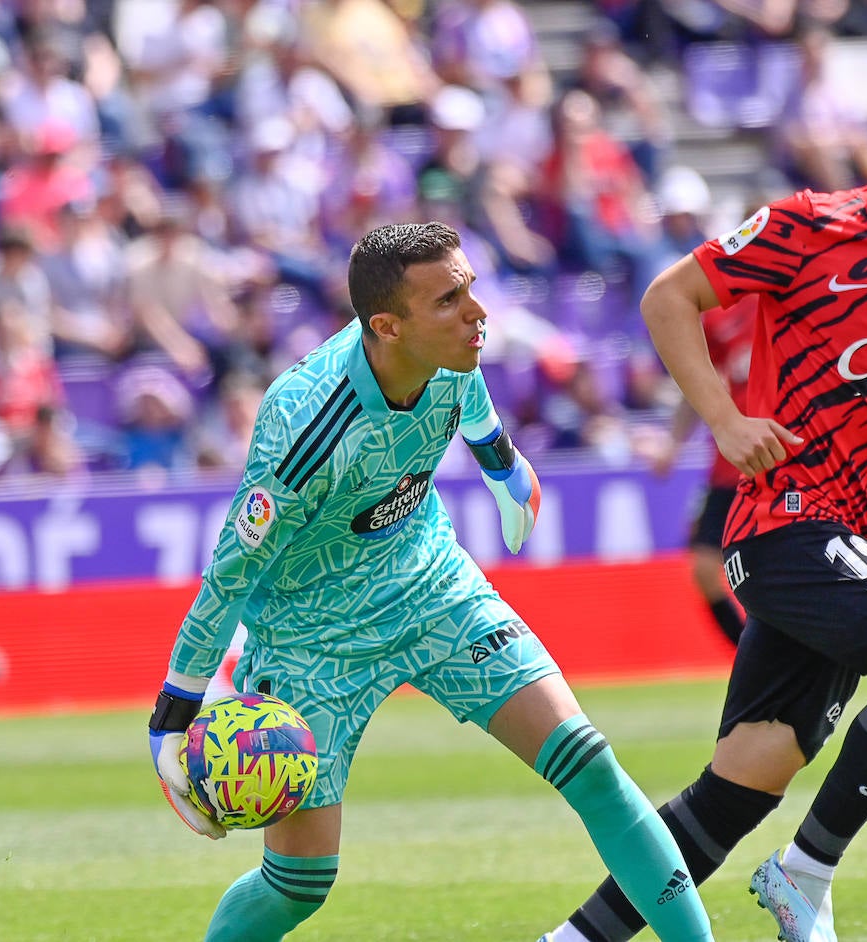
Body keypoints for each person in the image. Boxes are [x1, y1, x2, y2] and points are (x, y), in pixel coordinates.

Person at [539, 59, 867, 942]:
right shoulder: (809, 225)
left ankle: (573, 940)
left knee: (737, 788)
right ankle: (805, 874)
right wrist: (724, 419)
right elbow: (669, 298)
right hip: (781, 525)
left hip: (847, 541)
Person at [146, 222, 716, 942]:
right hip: (313, 640)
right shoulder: (304, 422)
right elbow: (228, 578)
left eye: (471, 288)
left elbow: (473, 408)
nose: (478, 313)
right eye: (451, 300)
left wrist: (507, 468)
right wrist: (171, 718)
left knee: (591, 766)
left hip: (433, 589)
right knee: (298, 888)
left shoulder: (454, 352)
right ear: (387, 326)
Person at [648, 293, 756, 647]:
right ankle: (747, 656)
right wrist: (674, 443)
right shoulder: (721, 313)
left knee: (773, 570)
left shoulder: (788, 294)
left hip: (779, 462)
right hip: (730, 464)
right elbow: (696, 380)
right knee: (705, 569)